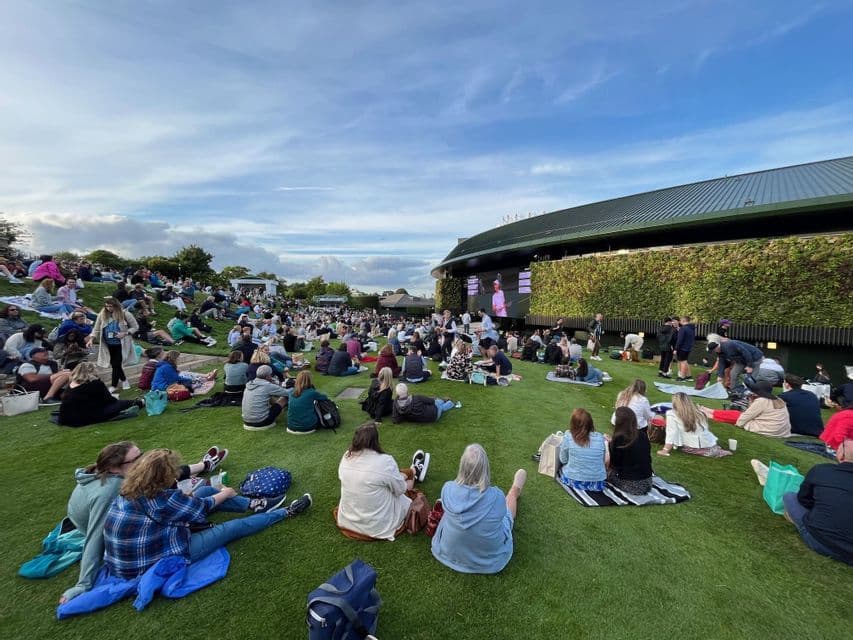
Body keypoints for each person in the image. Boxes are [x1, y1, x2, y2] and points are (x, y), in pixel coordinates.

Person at [103, 449, 311, 581]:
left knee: (204, 491)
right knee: (232, 527)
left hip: (130, 558)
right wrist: (225, 493)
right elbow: (201, 509)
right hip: (150, 562)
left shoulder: (128, 490)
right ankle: (287, 511)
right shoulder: (162, 497)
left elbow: (185, 506)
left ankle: (256, 504)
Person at [431, 444, 526, 574]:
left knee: (448, 513)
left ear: (462, 466)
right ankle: (515, 490)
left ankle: (514, 490)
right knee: (507, 515)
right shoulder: (497, 496)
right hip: (489, 562)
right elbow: (504, 517)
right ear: (485, 468)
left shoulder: (447, 488)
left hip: (447, 553)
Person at [336, 422, 430, 540]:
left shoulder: (346, 457)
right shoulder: (384, 461)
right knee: (404, 484)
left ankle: (413, 470)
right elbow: (400, 490)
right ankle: (414, 472)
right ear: (375, 441)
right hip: (378, 526)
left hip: (348, 519)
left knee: (394, 477)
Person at [779, 437, 853, 565]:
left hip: (819, 540)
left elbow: (803, 500)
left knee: (789, 497)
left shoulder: (822, 470)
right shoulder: (823, 471)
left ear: (842, 454)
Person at [58, 362, 144, 427]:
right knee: (122, 403)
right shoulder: (95, 384)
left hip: (67, 417)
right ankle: (140, 402)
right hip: (85, 416)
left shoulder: (72, 385)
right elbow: (110, 400)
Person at [700, 379, 792, 438]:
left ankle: (710, 414)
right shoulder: (778, 400)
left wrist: (738, 424)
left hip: (766, 429)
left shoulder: (762, 401)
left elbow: (745, 417)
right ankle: (710, 411)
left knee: (738, 416)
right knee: (738, 415)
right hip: (779, 431)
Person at [86, 297, 139, 393]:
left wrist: (125, 333)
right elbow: (96, 328)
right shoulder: (102, 315)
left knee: (115, 364)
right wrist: (91, 339)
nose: (109, 308)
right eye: (107, 306)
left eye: (111, 306)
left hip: (121, 343)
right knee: (115, 364)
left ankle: (114, 385)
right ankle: (124, 380)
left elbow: (135, 327)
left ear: (116, 306)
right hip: (108, 344)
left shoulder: (125, 314)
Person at [658, 392, 731, 457]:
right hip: (709, 442)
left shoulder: (672, 414)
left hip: (693, 445)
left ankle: (709, 451)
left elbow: (671, 433)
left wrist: (665, 450)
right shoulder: (699, 412)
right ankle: (713, 450)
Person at [559, 408, 609, 490]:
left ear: (573, 423)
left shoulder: (568, 436)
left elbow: (563, 460)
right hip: (597, 483)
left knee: (563, 467)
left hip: (573, 480)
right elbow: (602, 461)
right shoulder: (600, 437)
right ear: (591, 423)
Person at [608, 407, 653, 495]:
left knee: (604, 472)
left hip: (631, 484)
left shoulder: (619, 439)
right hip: (648, 481)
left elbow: (615, 464)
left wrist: (609, 446)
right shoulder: (642, 435)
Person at [242, 365, 290, 430]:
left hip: (246, 420)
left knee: (268, 397)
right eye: (271, 375)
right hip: (262, 422)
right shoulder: (267, 386)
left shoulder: (249, 384)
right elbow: (287, 393)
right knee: (284, 398)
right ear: (268, 376)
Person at [392, 383, 460, 424]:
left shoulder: (396, 404)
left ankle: (444, 401)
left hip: (423, 418)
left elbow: (395, 420)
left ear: (397, 393)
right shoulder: (416, 397)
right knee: (437, 402)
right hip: (433, 415)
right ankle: (449, 403)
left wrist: (405, 416)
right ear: (407, 391)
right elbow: (432, 402)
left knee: (434, 402)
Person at [675, 316, 696, 381]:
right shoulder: (692, 328)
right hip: (688, 347)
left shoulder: (683, 328)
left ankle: (682, 376)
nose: (680, 321)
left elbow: (680, 339)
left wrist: (676, 348)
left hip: (682, 347)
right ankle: (689, 376)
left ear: (684, 320)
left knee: (682, 362)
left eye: (680, 320)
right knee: (685, 361)